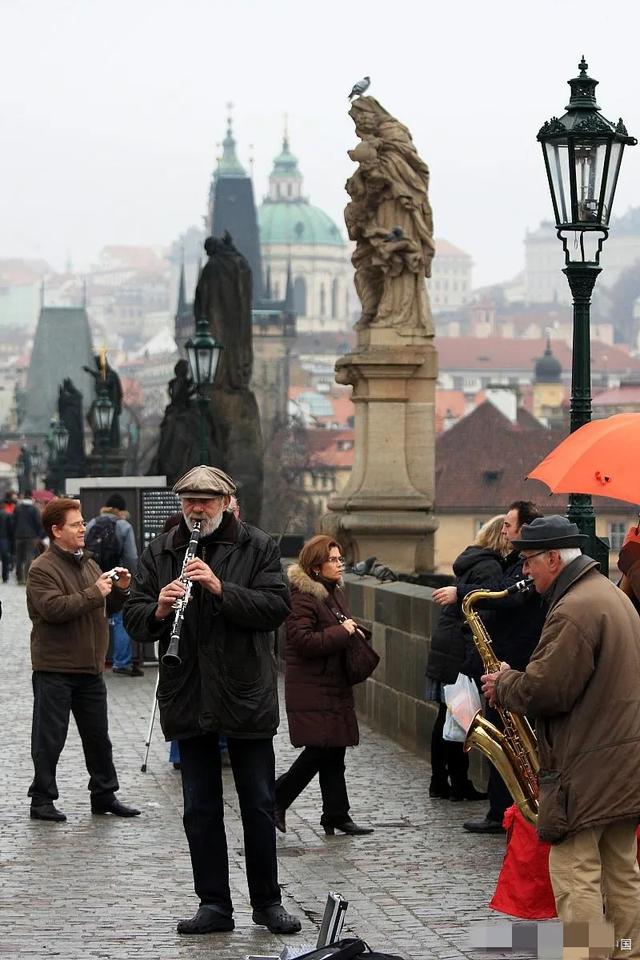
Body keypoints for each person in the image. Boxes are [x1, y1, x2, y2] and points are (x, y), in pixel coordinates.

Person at [123, 465, 301, 937]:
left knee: (258, 804)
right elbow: (134, 618)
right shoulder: (162, 550)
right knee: (199, 808)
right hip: (189, 691)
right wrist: (159, 608)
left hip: (244, 691)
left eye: (205, 501)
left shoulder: (257, 546)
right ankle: (214, 905)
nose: (196, 510)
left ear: (225, 501)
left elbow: (276, 608)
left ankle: (267, 903)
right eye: (189, 502)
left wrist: (222, 589)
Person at [482, 516, 640, 955]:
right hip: (623, 761)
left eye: (530, 560)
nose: (525, 571)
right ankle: (628, 951)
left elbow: (547, 689)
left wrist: (506, 682)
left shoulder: (574, 609)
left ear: (554, 557)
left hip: (585, 765)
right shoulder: (609, 594)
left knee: (575, 873)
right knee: (621, 871)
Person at [433, 500, 545, 834]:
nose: (505, 529)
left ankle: (504, 812)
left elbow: (506, 596)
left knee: (511, 743)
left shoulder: (521, 570)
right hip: (503, 662)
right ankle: (502, 811)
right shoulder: (516, 563)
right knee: (504, 739)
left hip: (515, 663)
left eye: (510, 525)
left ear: (524, 529)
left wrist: (462, 593)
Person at [26, 497, 140, 822]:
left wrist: (119, 590)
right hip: (55, 668)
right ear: (56, 530)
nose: (83, 529)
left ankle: (104, 793)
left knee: (98, 737)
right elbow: (54, 610)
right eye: (76, 524)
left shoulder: (88, 563)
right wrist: (97, 592)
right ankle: (41, 799)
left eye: (82, 523)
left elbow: (107, 607)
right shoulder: (41, 569)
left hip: (90, 668)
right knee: (49, 739)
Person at [274, 535, 374, 837]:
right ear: (316, 567)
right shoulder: (303, 597)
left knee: (335, 751)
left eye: (340, 558)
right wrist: (343, 632)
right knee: (318, 750)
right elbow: (302, 642)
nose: (339, 563)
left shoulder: (332, 592)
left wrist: (351, 631)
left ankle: (336, 813)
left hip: (332, 683)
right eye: (333, 559)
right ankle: (276, 799)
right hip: (313, 685)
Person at [425, 515, 507, 801]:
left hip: (445, 643)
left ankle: (439, 781)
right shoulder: (490, 566)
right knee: (461, 716)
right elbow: (489, 606)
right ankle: (459, 783)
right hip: (460, 647)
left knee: (445, 716)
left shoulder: (472, 560)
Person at [85, 493, 140, 677]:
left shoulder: (92, 523)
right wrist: (130, 578)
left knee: (93, 617)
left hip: (94, 577)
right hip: (117, 577)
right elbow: (131, 557)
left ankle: (91, 659)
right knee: (120, 620)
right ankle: (121, 662)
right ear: (121, 510)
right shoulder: (124, 526)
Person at [13, 489, 45, 584]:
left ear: (23, 496)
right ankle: (26, 577)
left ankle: (19, 578)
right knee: (29, 556)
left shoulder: (17, 508)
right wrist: (39, 535)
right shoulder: (34, 509)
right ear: (31, 497)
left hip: (18, 536)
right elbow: (39, 523)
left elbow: (13, 521)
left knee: (19, 557)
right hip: (31, 536)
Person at [0, 496, 14, 582]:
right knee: (5, 558)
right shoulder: (7, 514)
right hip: (4, 538)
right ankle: (5, 576)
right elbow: (10, 528)